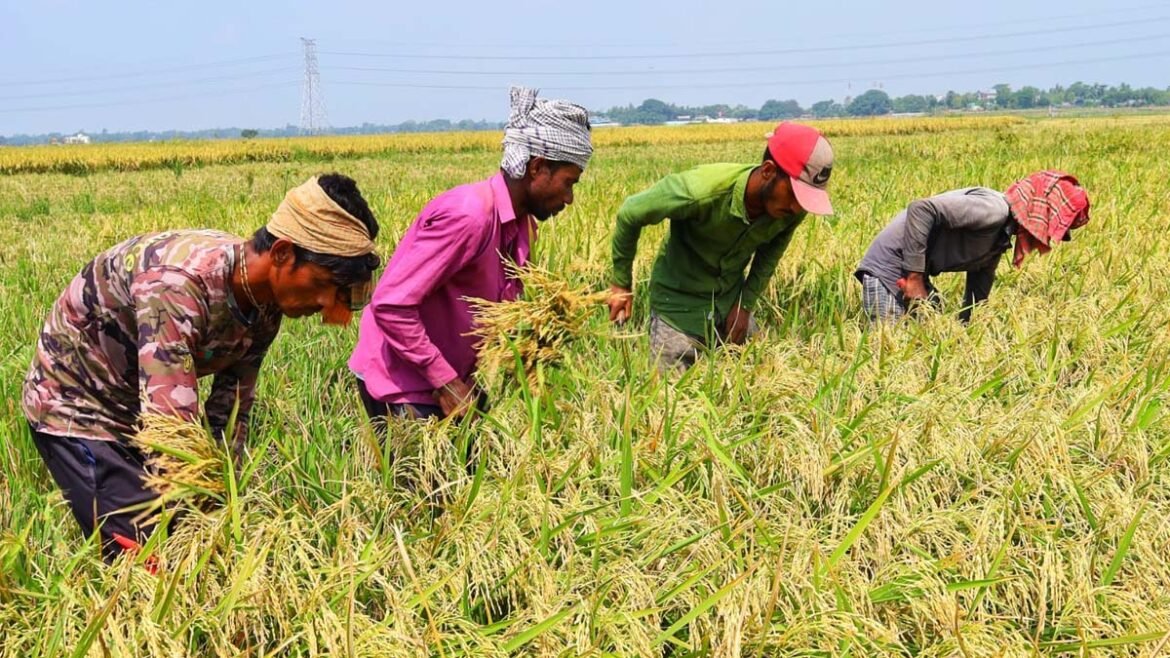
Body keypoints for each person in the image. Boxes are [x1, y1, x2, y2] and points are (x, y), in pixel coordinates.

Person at [23, 173, 381, 561]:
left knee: (195, 542)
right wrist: (201, 519)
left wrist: (226, 498)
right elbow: (171, 429)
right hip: (79, 405)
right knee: (147, 557)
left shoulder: (265, 304)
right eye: (324, 283)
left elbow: (231, 413)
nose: (329, 304)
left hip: (139, 403)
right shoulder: (178, 285)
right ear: (282, 254)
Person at [349, 86, 592, 429]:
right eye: (569, 182)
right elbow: (392, 305)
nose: (569, 198)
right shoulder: (469, 217)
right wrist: (445, 382)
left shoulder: (523, 228)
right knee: (425, 483)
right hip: (406, 384)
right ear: (537, 167)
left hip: (456, 382)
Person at [607, 122, 835, 371]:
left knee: (760, 375)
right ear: (768, 171)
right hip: (679, 305)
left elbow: (769, 257)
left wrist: (744, 305)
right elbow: (631, 212)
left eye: (805, 199)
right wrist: (621, 283)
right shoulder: (700, 190)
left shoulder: (791, 209)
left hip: (728, 302)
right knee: (668, 396)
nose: (796, 208)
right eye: (793, 194)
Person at [854, 170, 1090, 323]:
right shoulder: (993, 211)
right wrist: (914, 277)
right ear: (1042, 211)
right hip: (889, 268)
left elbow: (980, 280)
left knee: (933, 331)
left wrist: (970, 327)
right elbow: (922, 209)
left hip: (912, 271)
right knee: (890, 352)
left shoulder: (1002, 232)